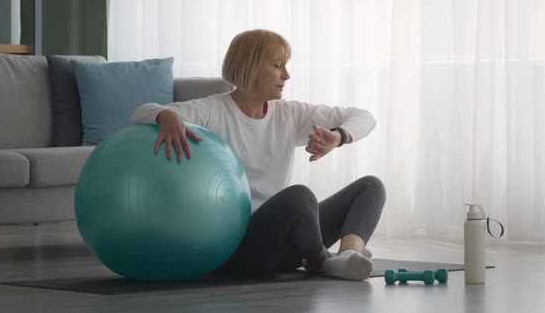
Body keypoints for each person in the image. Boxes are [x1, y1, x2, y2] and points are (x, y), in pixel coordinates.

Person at [131, 29, 386, 281]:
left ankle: (346, 257)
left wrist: (338, 137)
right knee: (300, 197)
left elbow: (364, 117)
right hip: (238, 250)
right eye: (277, 66)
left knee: (370, 186)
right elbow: (141, 112)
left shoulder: (289, 113)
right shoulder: (213, 110)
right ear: (250, 67)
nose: (286, 75)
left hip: (290, 242)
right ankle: (320, 260)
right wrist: (167, 115)